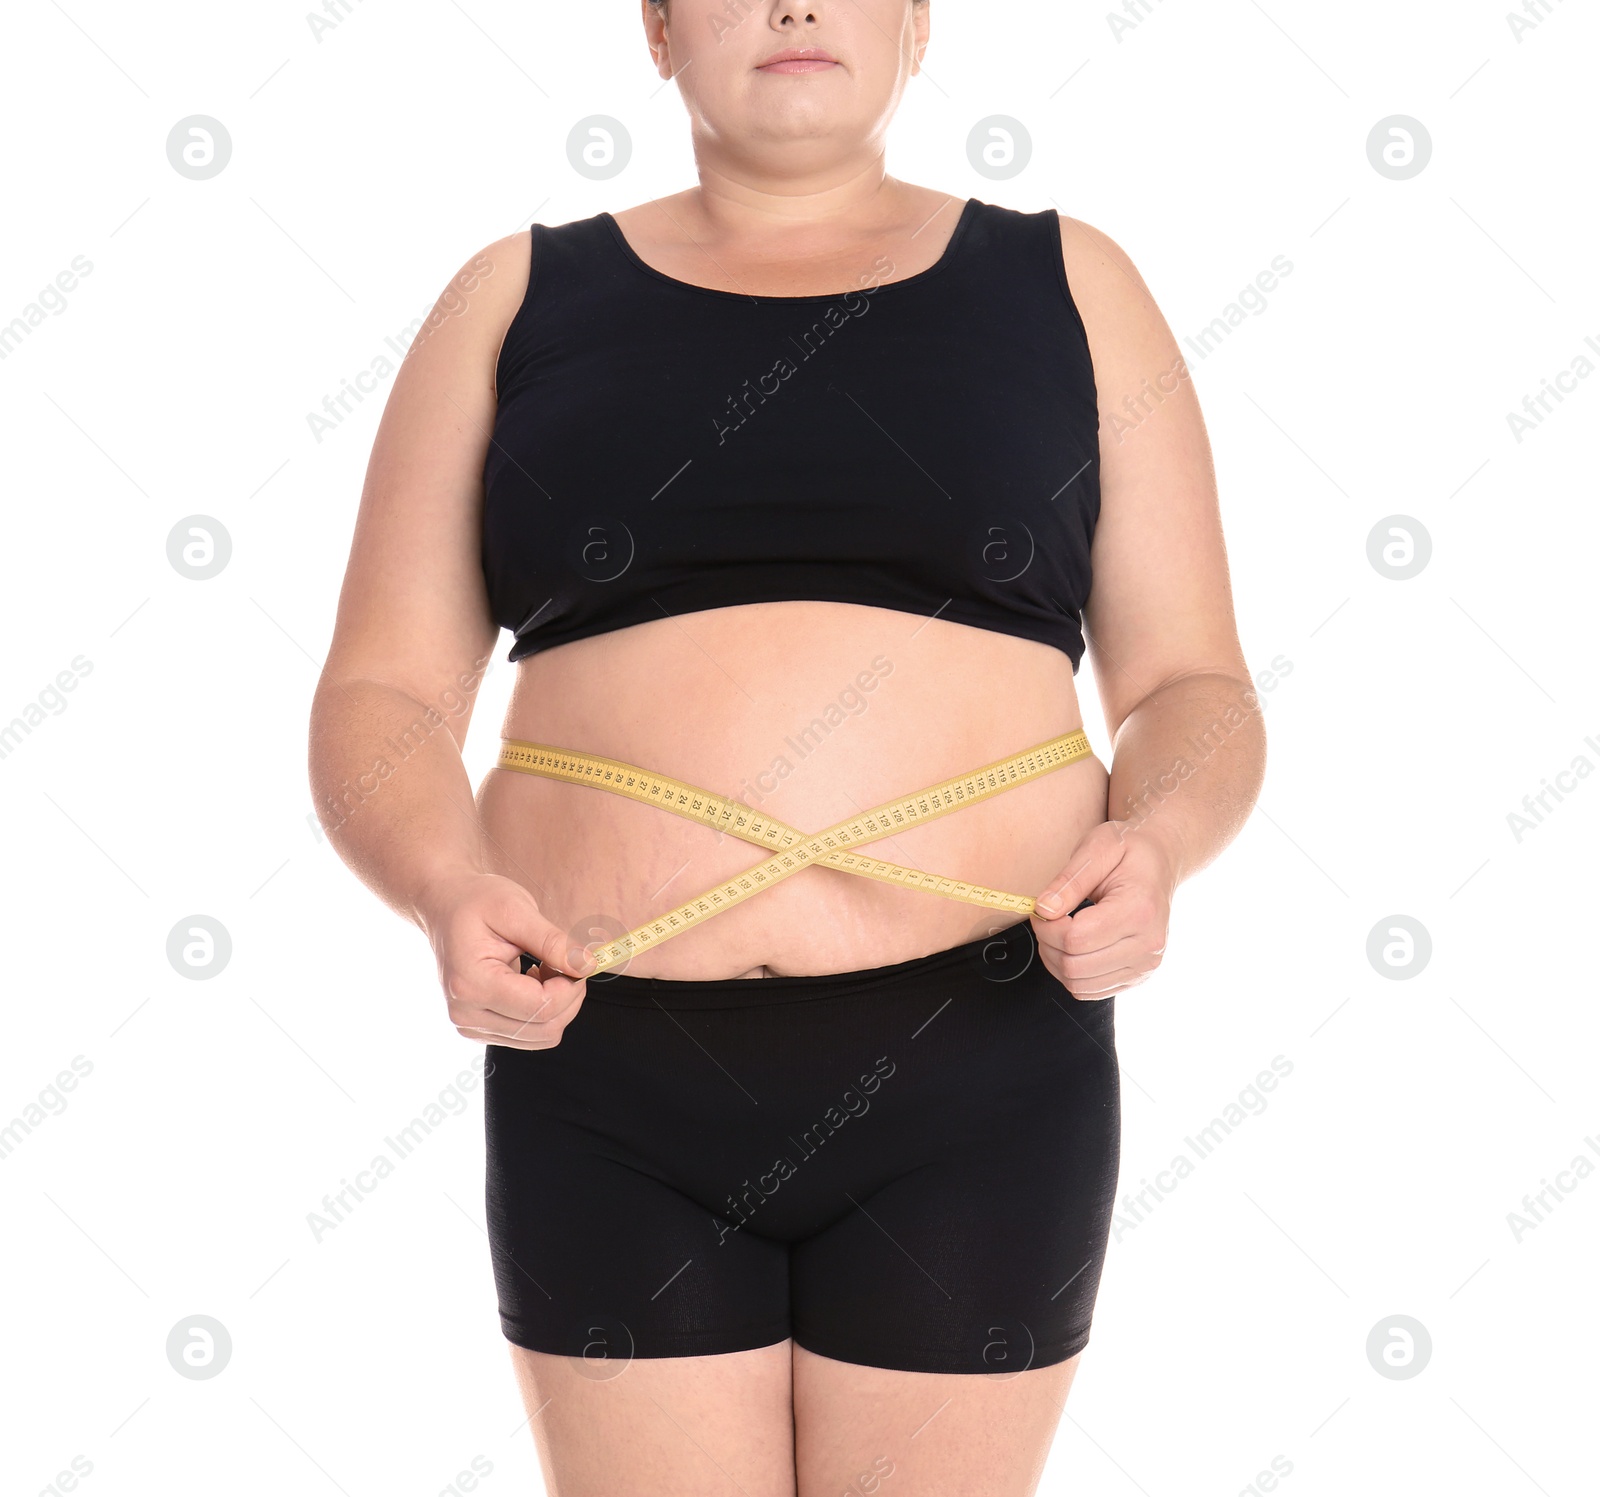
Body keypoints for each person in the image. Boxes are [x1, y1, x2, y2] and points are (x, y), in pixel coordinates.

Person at [307, 1, 1266, 1490]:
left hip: (984, 1064)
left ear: (918, 25)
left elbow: (1193, 683)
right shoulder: (511, 298)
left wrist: (1160, 842)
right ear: (659, 28)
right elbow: (381, 698)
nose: (798, 5)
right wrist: (441, 884)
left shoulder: (1072, 286)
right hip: (605, 1069)